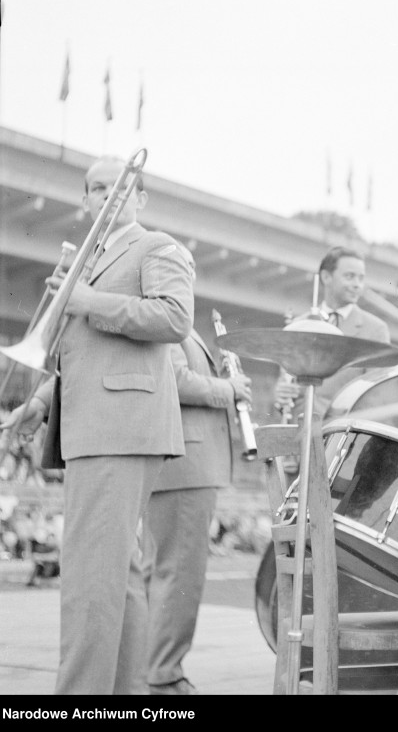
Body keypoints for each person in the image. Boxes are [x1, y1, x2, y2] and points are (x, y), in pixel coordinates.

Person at [0, 155, 194, 694]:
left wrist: (89, 301)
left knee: (89, 579)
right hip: (98, 423)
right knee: (117, 577)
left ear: (139, 198)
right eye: (96, 188)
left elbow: (176, 318)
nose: (107, 195)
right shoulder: (88, 260)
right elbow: (77, 350)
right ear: (85, 201)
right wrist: (40, 402)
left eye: (118, 186)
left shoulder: (156, 247)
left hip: (120, 426)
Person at [142, 246, 252, 696]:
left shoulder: (179, 326)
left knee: (162, 570)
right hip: (186, 464)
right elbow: (178, 382)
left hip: (183, 463)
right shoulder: (169, 325)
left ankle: (150, 667)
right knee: (180, 574)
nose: (186, 280)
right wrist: (229, 388)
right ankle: (164, 675)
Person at [274, 246, 390, 423]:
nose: (357, 284)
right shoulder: (298, 325)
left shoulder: (376, 329)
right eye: (349, 276)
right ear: (326, 277)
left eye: (361, 278)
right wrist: (280, 396)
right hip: (298, 431)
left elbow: (376, 396)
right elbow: (285, 385)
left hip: (342, 434)